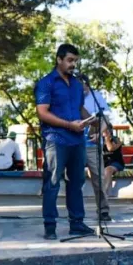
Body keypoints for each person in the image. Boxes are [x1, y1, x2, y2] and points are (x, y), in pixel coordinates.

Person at [35, 44, 94, 240]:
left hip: (77, 140)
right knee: (52, 183)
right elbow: (42, 112)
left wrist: (93, 120)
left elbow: (79, 109)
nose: (73, 64)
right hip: (56, 139)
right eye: (69, 60)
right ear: (59, 59)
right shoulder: (46, 83)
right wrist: (69, 125)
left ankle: (77, 223)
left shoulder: (77, 84)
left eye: (75, 61)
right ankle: (50, 226)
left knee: (76, 182)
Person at [82, 79, 113, 222]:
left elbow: (105, 117)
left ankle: (103, 210)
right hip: (74, 144)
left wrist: (99, 133)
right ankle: (76, 214)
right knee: (73, 180)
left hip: (92, 145)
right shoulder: (70, 94)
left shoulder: (96, 96)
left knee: (98, 179)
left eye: (83, 84)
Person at [102, 128, 125, 203]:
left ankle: (105, 192)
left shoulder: (116, 140)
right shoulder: (99, 140)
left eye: (106, 130)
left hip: (116, 163)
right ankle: (99, 189)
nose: (104, 132)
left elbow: (110, 148)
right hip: (104, 163)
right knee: (90, 169)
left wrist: (107, 139)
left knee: (108, 169)